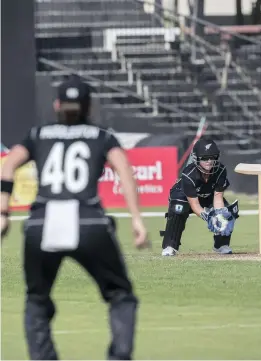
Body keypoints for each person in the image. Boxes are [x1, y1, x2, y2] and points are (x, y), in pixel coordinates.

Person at [0, 76, 149, 360]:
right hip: (88, 221)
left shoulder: (38, 134)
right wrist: (137, 220)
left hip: (41, 223)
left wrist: (3, 212)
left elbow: (8, 165)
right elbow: (125, 172)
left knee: (37, 300)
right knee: (120, 295)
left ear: (57, 105)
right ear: (89, 107)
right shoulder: (102, 136)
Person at [160, 138, 239, 256]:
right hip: (184, 196)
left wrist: (219, 216)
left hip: (208, 197)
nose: (209, 161)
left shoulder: (221, 170)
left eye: (212, 157)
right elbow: (195, 205)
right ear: (196, 158)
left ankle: (221, 245)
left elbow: (218, 198)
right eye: (204, 158)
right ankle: (170, 246)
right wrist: (209, 217)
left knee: (226, 211)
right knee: (178, 207)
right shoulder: (188, 174)